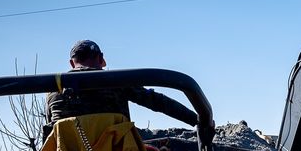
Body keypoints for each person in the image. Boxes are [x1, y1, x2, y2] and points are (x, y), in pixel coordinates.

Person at [42, 39, 198, 139]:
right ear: (101, 58)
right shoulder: (115, 81)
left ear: (71, 63)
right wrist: (196, 119)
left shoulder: (53, 91)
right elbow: (157, 102)